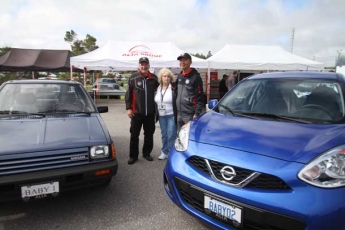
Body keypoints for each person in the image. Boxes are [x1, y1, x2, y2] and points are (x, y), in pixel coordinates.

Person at [125, 57, 159, 165]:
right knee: (134, 135)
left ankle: (146, 153)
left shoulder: (154, 78)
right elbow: (128, 95)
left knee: (149, 135)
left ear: (149, 65)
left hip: (150, 113)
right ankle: (133, 156)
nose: (143, 66)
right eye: (141, 64)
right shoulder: (133, 78)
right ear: (139, 66)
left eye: (145, 64)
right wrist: (128, 108)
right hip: (136, 113)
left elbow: (160, 93)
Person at [175, 53, 205, 131]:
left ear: (190, 62)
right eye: (181, 60)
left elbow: (200, 97)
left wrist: (197, 113)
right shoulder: (180, 76)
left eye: (185, 60)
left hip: (189, 115)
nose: (182, 62)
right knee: (180, 137)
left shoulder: (195, 77)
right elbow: (174, 90)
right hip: (179, 114)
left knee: (188, 138)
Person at [154, 68, 177, 160]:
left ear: (171, 78)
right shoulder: (158, 88)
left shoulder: (173, 88)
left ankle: (171, 152)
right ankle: (164, 152)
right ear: (161, 77)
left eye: (168, 76)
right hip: (161, 115)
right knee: (164, 134)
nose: (166, 78)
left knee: (171, 134)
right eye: (164, 76)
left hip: (171, 115)